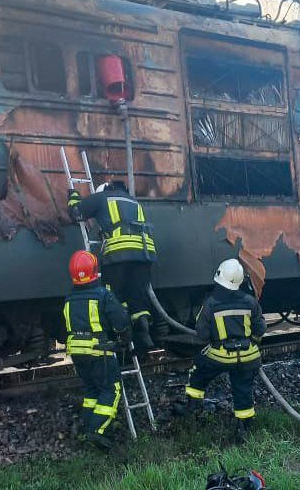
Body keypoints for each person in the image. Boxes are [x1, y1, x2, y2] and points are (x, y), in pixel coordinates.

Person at [178, 259, 266, 442]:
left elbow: (202, 334)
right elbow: (260, 329)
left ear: (219, 276)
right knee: (243, 390)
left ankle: (192, 407)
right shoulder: (250, 302)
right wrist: (251, 341)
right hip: (248, 356)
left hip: (220, 356)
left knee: (199, 371)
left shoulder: (210, 303)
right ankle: (243, 429)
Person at [68, 181, 157, 357]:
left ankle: (121, 340)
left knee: (115, 297)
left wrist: (73, 197)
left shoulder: (102, 197)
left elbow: (77, 212)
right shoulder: (133, 201)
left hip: (118, 254)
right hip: (144, 254)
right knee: (137, 299)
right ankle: (143, 338)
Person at [63, 250, 130, 450]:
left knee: (92, 390)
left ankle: (87, 428)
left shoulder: (69, 299)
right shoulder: (103, 295)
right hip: (98, 351)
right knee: (111, 390)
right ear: (94, 271)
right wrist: (124, 338)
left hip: (77, 352)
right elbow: (120, 322)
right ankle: (96, 431)